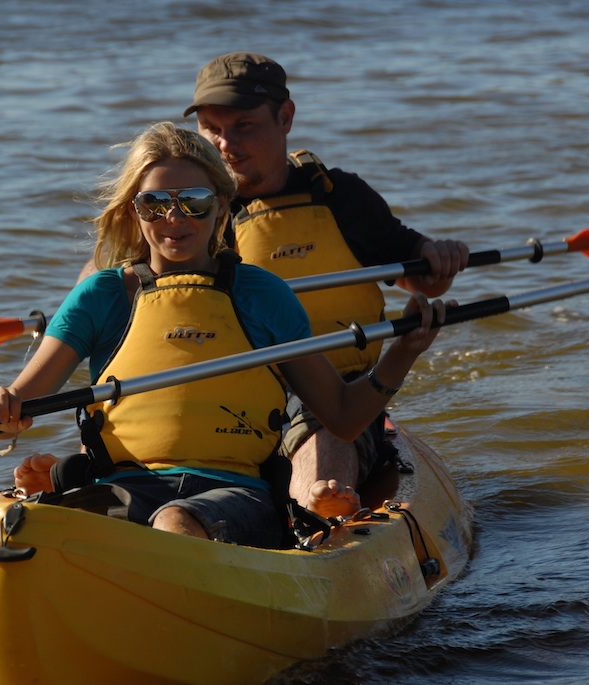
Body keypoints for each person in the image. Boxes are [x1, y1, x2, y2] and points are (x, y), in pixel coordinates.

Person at [0, 122, 447, 549]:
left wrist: (404, 351)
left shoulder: (264, 295)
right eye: (154, 205)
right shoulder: (101, 295)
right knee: (14, 526)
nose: (174, 219)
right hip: (121, 487)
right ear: (133, 210)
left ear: (221, 205)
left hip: (234, 496)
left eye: (193, 203)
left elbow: (342, 418)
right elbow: (21, 401)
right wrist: (2, 411)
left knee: (175, 521)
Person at [182, 52, 470, 517]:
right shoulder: (187, 210)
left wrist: (440, 257)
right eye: (212, 128)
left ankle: (319, 517)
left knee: (324, 426)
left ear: (286, 117)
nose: (225, 145)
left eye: (244, 126)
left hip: (336, 393)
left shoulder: (340, 198)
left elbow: (420, 277)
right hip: (229, 394)